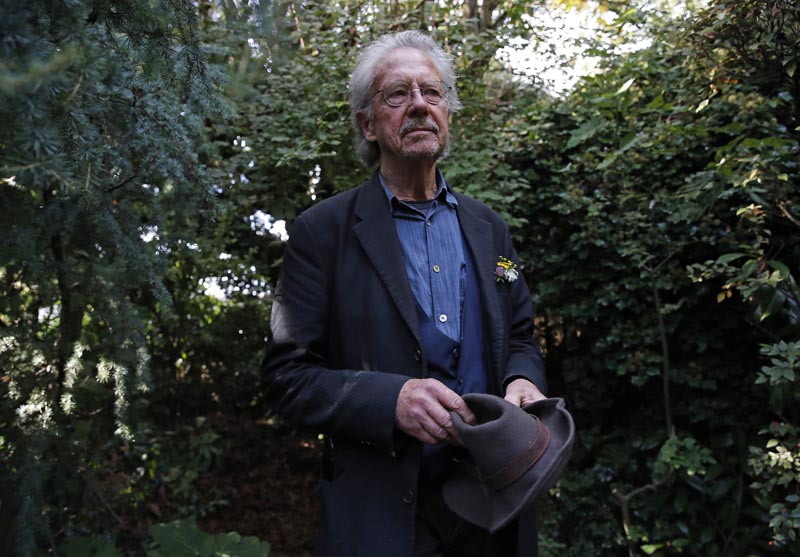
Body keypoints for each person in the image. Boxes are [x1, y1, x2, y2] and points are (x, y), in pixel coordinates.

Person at [262, 30, 547, 557]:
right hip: (385, 519)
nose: (419, 105)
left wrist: (524, 380)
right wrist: (389, 400)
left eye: (432, 93)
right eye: (398, 94)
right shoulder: (321, 231)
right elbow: (286, 379)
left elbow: (522, 337)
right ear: (368, 123)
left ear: (448, 114)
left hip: (496, 505)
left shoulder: (490, 229)